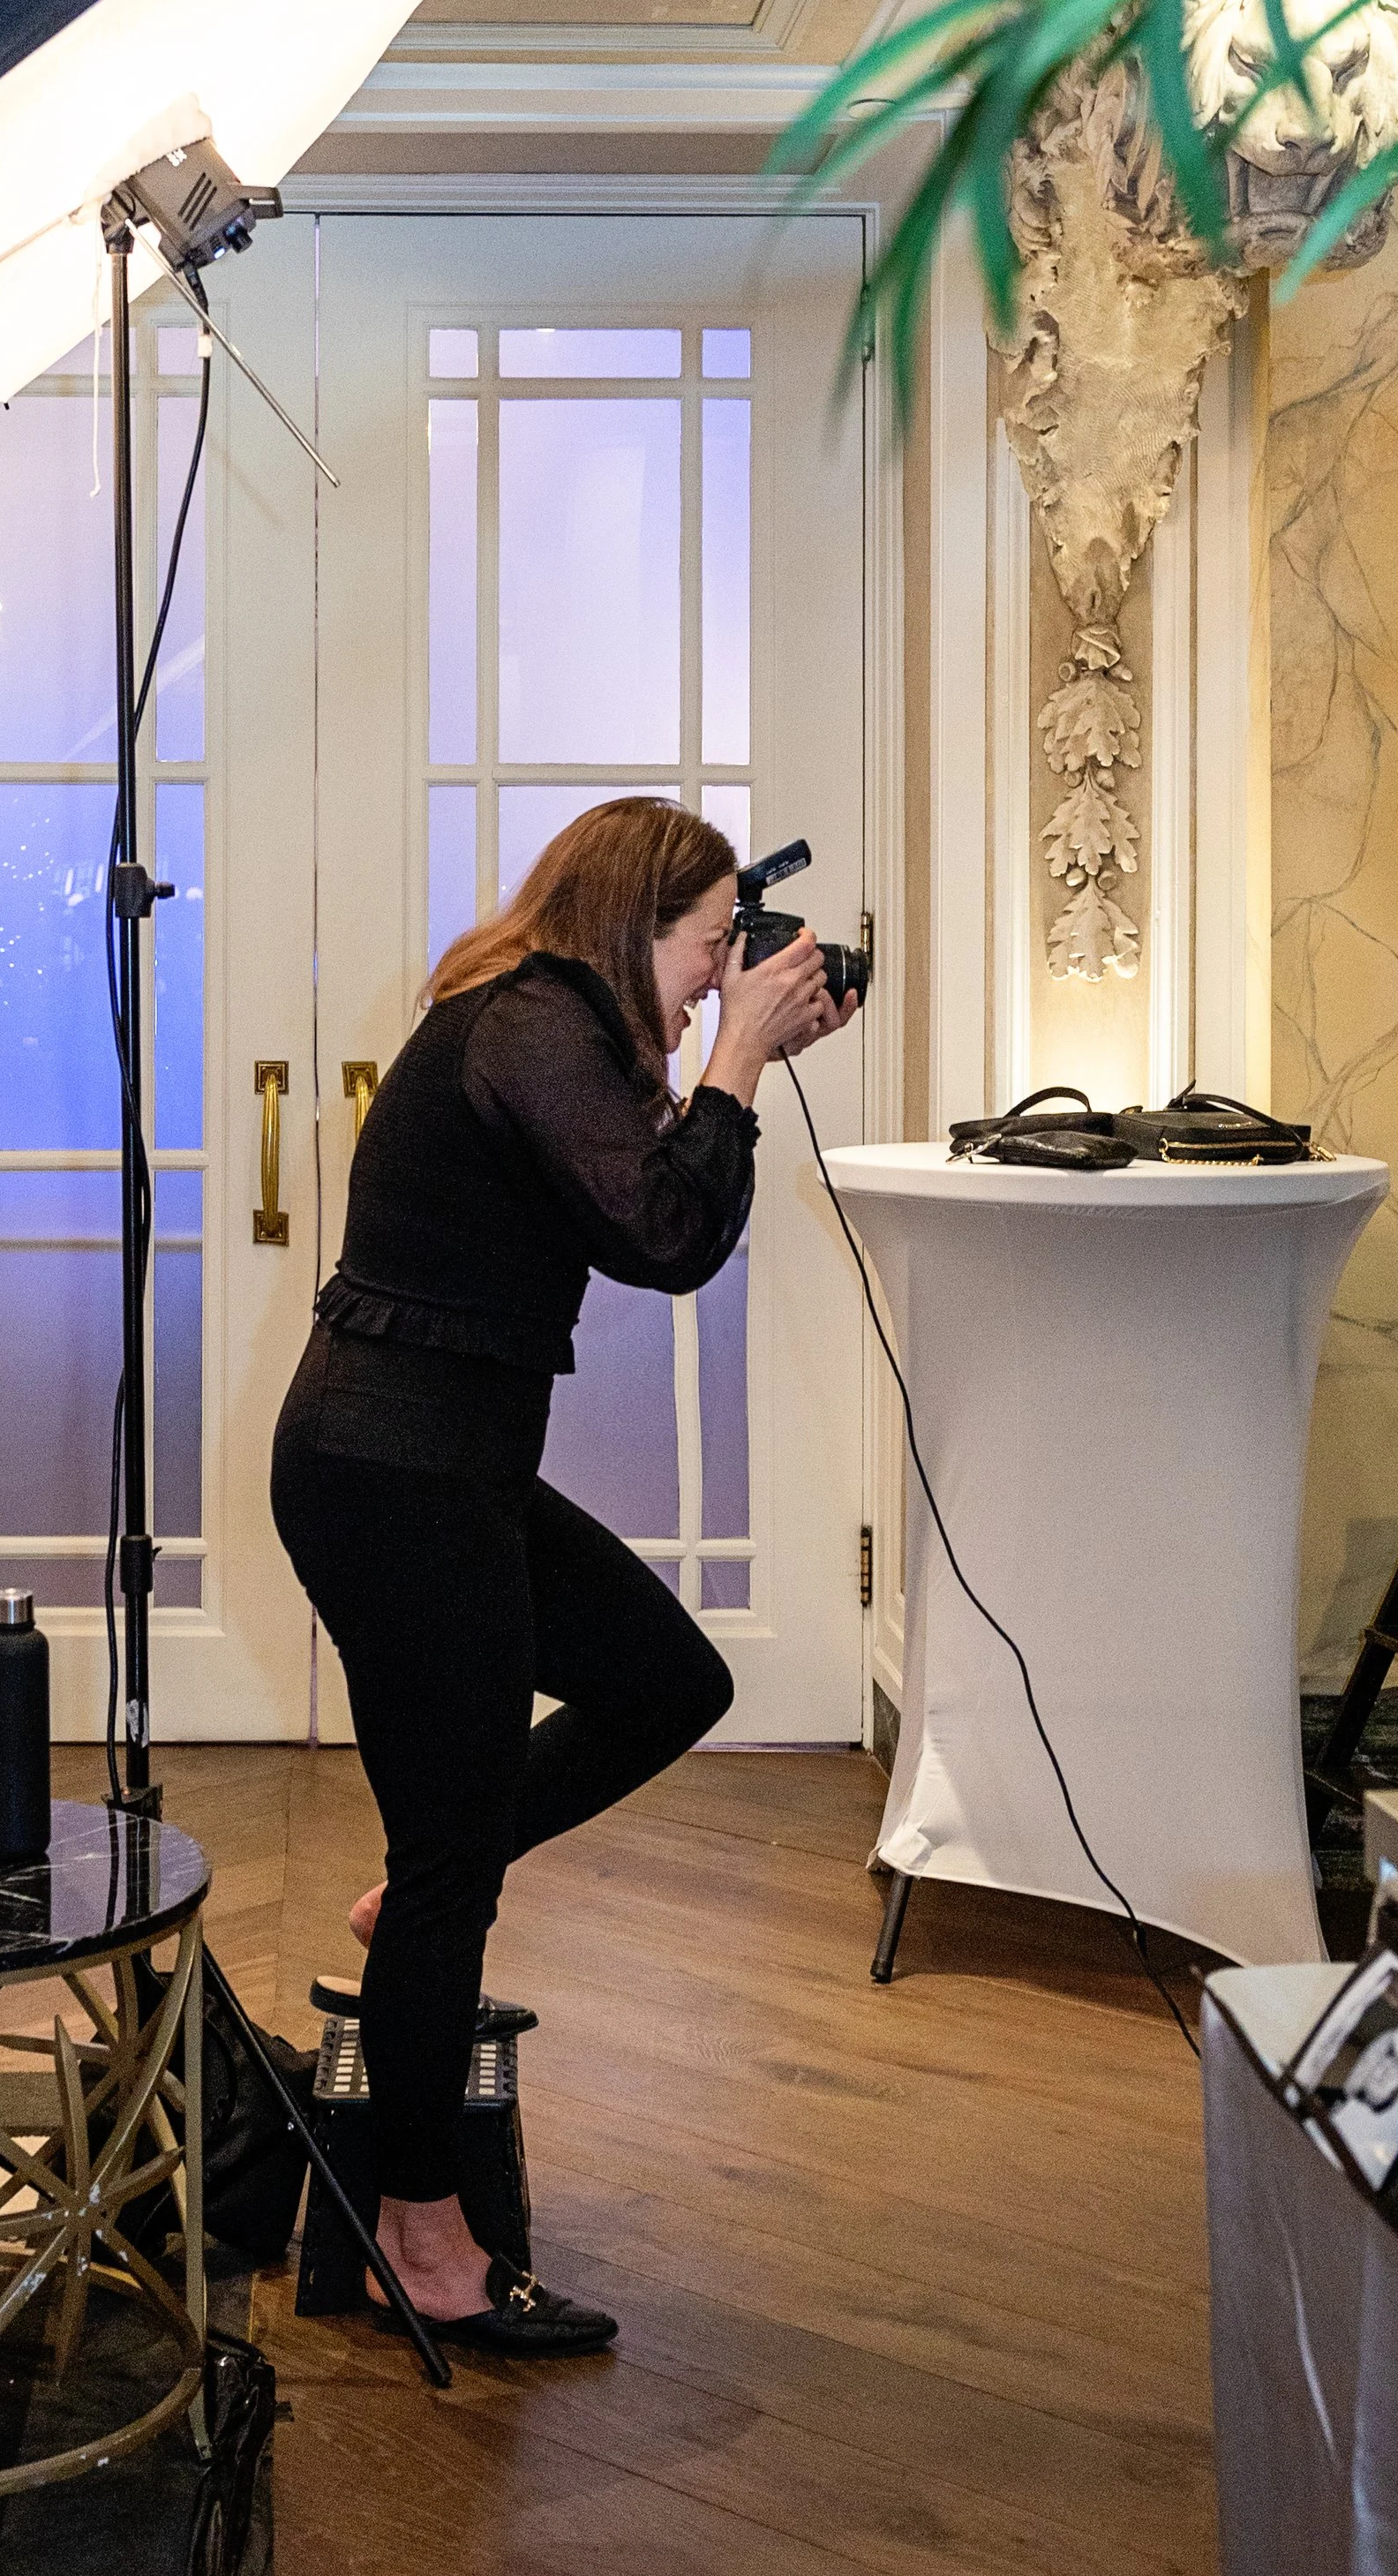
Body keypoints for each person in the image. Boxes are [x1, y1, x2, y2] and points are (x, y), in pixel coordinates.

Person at [270, 798, 854, 2354]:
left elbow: (666, 1210)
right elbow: (665, 1235)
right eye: (711, 941)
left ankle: (432, 1873)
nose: (719, 972)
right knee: (453, 1873)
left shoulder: (559, 1029)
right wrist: (733, 1064)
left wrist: (744, 1066)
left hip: (440, 1460)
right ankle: (424, 2232)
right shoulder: (529, 1019)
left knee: (671, 1681)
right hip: (388, 1472)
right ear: (632, 919)